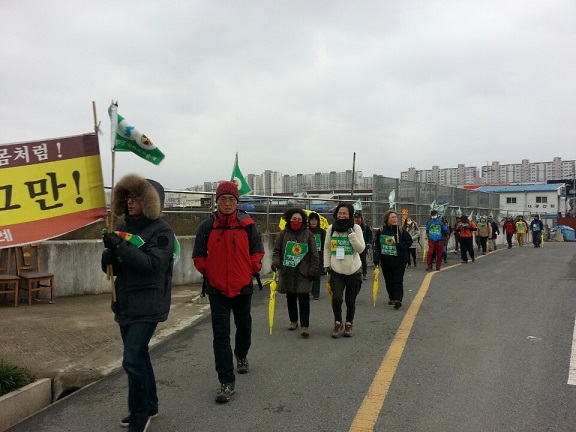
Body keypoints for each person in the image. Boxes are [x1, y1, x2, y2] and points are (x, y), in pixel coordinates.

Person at [101, 174, 175, 432]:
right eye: (128, 197)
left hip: (150, 303)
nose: (130, 202)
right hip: (126, 302)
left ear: (149, 202)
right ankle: (150, 405)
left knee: (131, 358)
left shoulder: (162, 231)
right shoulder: (124, 227)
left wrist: (120, 247)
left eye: (136, 197)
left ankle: (139, 413)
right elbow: (112, 269)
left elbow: (152, 264)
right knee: (140, 356)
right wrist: (109, 253)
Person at [192, 181, 264, 404]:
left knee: (244, 326)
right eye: (222, 199)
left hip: (242, 286)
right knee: (220, 335)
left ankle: (241, 355)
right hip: (217, 289)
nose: (226, 203)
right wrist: (210, 272)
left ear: (237, 202)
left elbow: (258, 252)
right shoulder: (207, 226)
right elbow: (198, 256)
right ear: (217, 202)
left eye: (231, 199)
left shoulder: (248, 225)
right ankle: (226, 381)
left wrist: (251, 269)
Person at [271, 208, 319, 337]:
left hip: (304, 271)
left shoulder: (308, 234)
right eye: (294, 219)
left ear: (303, 221)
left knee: (304, 298)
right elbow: (276, 251)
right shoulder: (283, 234)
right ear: (289, 220)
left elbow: (314, 254)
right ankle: (293, 321)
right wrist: (275, 262)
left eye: (299, 219)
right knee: (290, 297)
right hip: (288, 270)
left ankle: (305, 325)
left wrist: (313, 270)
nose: (296, 222)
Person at [323, 203, 365, 338]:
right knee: (337, 298)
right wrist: (327, 264)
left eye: (344, 213)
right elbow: (327, 247)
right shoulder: (331, 228)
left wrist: (351, 235)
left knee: (350, 300)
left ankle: (348, 324)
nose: (342, 215)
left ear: (350, 215)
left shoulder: (356, 228)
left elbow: (360, 249)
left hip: (353, 269)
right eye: (340, 213)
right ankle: (337, 323)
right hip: (336, 270)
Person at [373, 211, 413, 309]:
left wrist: (400, 246)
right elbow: (377, 245)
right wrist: (376, 257)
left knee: (398, 280)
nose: (395, 219)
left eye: (396, 217)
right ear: (387, 219)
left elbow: (409, 241)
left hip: (400, 260)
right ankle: (392, 297)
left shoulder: (401, 230)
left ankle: (398, 299)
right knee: (388, 279)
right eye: (392, 217)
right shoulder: (381, 231)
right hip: (386, 260)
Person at [308, 212, 326, 300]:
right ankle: (309, 290)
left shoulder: (322, 232)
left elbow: (325, 245)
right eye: (312, 220)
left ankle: (316, 293)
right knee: (308, 274)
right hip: (307, 256)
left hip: (318, 256)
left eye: (315, 220)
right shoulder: (306, 232)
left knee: (317, 274)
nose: (313, 222)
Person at [353, 212, 373, 280]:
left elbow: (370, 236)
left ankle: (364, 273)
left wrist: (368, 243)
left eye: (358, 218)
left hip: (363, 246)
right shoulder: (352, 227)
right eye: (355, 218)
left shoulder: (366, 227)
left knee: (363, 259)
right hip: (354, 246)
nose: (356, 220)